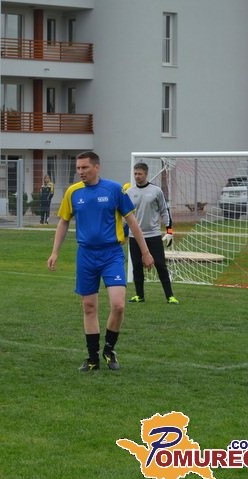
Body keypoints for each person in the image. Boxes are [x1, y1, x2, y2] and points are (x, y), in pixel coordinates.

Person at [47, 151, 154, 372]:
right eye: (78, 168)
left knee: (118, 304)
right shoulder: (73, 192)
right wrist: (55, 252)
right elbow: (63, 222)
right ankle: (92, 357)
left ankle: (109, 349)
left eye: (84, 167)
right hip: (86, 255)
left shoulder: (114, 189)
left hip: (112, 253)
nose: (80, 172)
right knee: (88, 306)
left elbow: (132, 222)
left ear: (97, 167)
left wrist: (145, 252)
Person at [126, 163, 179, 304]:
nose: (137, 176)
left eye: (140, 174)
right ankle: (139, 296)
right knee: (137, 266)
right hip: (134, 236)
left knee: (161, 265)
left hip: (153, 235)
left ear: (146, 174)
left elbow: (164, 211)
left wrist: (169, 231)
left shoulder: (156, 191)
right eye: (135, 173)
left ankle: (170, 296)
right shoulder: (129, 192)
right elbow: (125, 216)